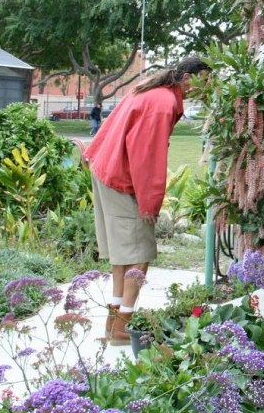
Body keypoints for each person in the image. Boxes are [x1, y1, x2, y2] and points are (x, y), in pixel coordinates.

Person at [83, 56, 211, 345]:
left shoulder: (154, 90)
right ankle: (121, 327)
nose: (208, 89)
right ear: (188, 78)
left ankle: (115, 320)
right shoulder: (162, 103)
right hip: (119, 175)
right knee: (139, 255)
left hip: (107, 168)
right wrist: (149, 204)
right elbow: (147, 156)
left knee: (124, 254)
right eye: (205, 81)